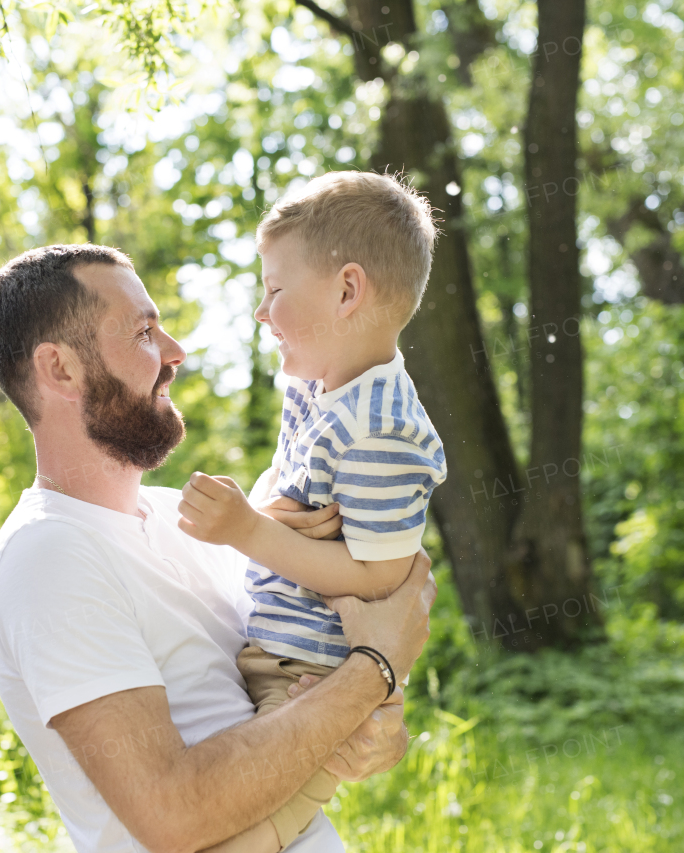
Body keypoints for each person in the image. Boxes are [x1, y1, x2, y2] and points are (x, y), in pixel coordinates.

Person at [0, 243, 437, 853]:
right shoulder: (46, 555)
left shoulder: (192, 520)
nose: (175, 352)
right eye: (143, 333)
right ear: (61, 369)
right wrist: (373, 669)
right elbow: (172, 816)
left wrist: (378, 721)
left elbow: (316, 672)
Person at [176, 172, 448, 851]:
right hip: (274, 650)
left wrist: (250, 530)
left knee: (239, 837)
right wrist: (268, 516)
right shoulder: (314, 387)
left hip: (313, 682)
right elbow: (289, 499)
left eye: (274, 290)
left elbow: (382, 580)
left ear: (347, 290)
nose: (260, 313)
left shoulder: (382, 429)